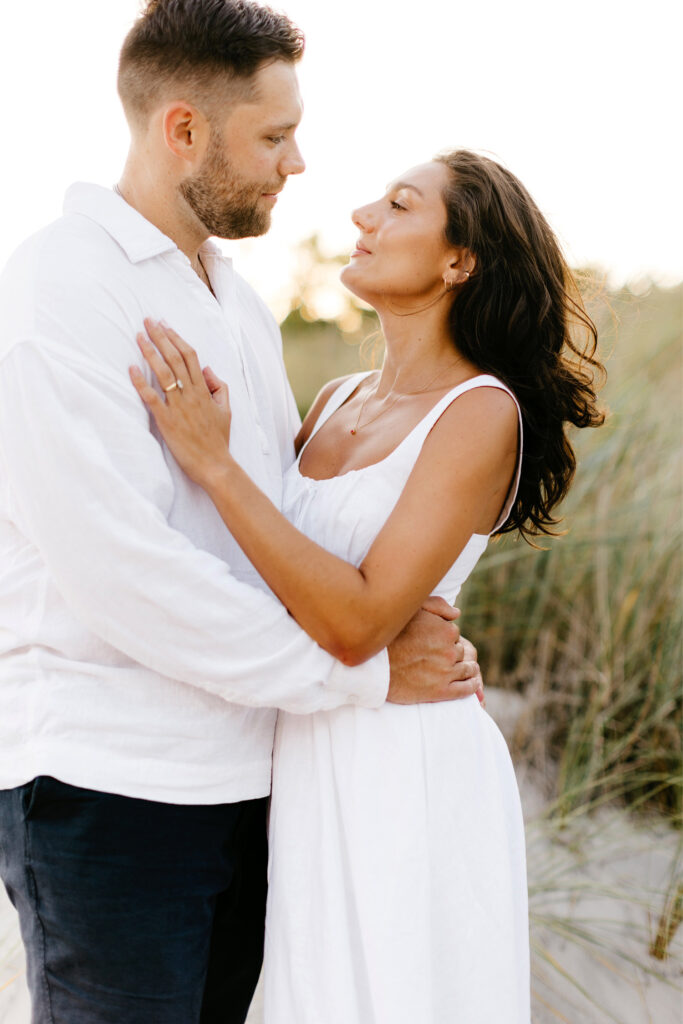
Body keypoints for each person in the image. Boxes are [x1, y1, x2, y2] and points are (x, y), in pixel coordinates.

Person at [0, 3, 484, 1023]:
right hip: (109, 786)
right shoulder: (61, 286)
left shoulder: (236, 302)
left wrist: (394, 605)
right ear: (183, 129)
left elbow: (277, 530)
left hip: (254, 783)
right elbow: (121, 572)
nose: (298, 162)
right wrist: (352, 670)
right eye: (272, 136)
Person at [132, 150, 606, 1023]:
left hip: (404, 761)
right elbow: (277, 578)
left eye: (397, 205)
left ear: (459, 260)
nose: (360, 216)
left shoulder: (479, 411)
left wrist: (213, 461)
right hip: (304, 749)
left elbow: (354, 622)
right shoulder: (335, 398)